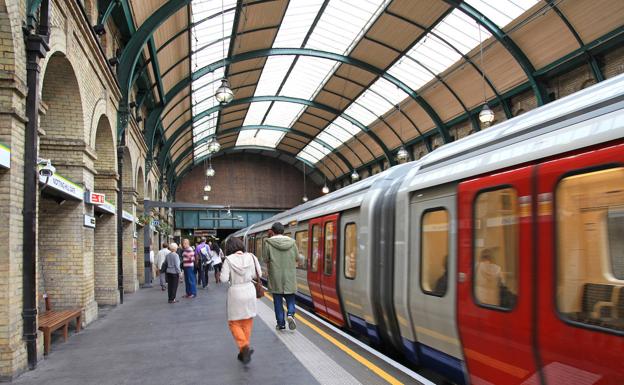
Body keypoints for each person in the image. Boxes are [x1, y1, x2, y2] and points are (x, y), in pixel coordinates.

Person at [221, 237, 261, 363]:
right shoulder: (252, 257)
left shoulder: (228, 260)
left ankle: (244, 347)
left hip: (236, 292)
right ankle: (244, 351)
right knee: (247, 320)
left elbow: (223, 279)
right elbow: (258, 274)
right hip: (249, 290)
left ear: (229, 248)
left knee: (234, 322)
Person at [263, 222, 298, 331]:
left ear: (272, 232)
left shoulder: (268, 243)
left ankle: (281, 324)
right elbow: (297, 257)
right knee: (290, 298)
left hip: (275, 276)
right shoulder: (292, 243)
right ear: (283, 231)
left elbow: (265, 258)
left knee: (277, 302)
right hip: (289, 276)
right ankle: (290, 314)